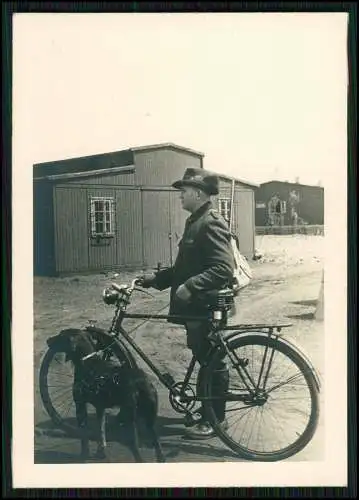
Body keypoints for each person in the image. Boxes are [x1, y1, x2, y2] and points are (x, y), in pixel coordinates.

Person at [140, 167, 235, 440]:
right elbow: (185, 267)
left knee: (212, 361)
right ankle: (209, 414)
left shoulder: (210, 222)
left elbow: (223, 268)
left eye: (183, 192)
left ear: (197, 192)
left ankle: (216, 421)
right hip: (197, 308)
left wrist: (191, 286)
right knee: (205, 358)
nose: (180, 196)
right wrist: (155, 279)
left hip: (206, 306)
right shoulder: (195, 221)